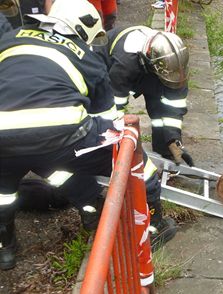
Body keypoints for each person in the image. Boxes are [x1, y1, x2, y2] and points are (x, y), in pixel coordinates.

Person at [0, 0, 162, 277]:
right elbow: (109, 121)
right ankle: (153, 222)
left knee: (3, 191)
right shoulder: (86, 56)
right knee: (126, 145)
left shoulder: (9, 39)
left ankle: (5, 249)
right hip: (58, 134)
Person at [94, 25, 194, 167]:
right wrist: (117, 137)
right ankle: (103, 150)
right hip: (106, 60)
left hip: (146, 67)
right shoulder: (124, 64)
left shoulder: (174, 65)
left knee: (159, 106)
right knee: (103, 110)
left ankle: (165, 149)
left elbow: (174, 106)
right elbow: (115, 104)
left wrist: (174, 139)